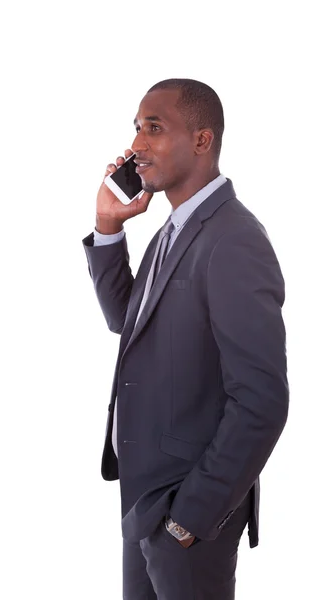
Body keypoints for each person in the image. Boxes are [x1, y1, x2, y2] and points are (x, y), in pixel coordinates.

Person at [82, 78, 289, 600]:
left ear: (202, 140)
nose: (136, 146)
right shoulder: (170, 233)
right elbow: (126, 322)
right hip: (144, 502)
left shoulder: (235, 240)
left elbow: (263, 400)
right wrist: (108, 226)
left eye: (154, 127)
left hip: (189, 518)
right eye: (135, 129)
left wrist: (189, 519)